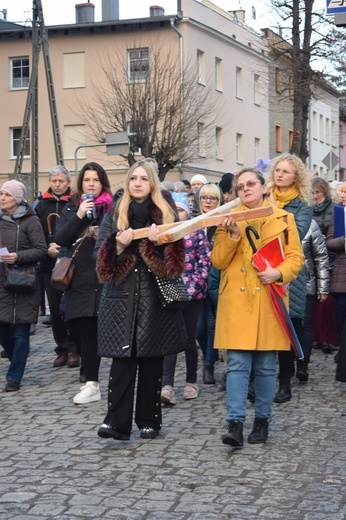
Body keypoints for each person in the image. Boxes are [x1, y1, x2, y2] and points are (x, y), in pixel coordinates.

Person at [95, 161, 189, 441]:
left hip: (154, 296)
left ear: (152, 184)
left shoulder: (165, 212)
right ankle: (115, 423)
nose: (137, 183)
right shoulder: (114, 212)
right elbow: (98, 260)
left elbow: (175, 264)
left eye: (143, 179)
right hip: (121, 295)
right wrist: (120, 246)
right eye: (133, 178)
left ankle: (149, 420)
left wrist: (155, 244)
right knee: (122, 361)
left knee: (151, 360)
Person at [212, 168, 304, 447]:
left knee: (265, 366)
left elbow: (295, 258)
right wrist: (232, 236)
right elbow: (218, 260)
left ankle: (262, 419)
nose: (245, 189)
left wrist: (279, 273)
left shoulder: (284, 218)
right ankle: (235, 423)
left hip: (269, 299)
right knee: (237, 364)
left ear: (264, 188)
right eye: (240, 187)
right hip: (238, 302)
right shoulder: (226, 220)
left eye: (251, 184)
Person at [54, 162, 113, 405]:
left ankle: (112, 377)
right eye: (87, 180)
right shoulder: (72, 206)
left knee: (108, 331)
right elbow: (61, 238)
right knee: (84, 331)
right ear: (81, 184)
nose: (91, 184)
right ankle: (91, 382)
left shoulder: (113, 207)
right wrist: (79, 216)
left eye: (95, 180)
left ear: (102, 183)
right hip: (80, 279)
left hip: (106, 276)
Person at [267, 154, 313, 403]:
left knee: (287, 328)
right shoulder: (263, 195)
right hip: (261, 268)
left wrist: (273, 209)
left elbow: (297, 231)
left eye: (286, 171)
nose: (280, 174)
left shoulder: (303, 202)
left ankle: (285, 382)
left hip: (288, 272)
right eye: (277, 170)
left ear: (296, 176)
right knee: (262, 326)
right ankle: (256, 380)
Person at [161, 192, 210, 404]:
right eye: (175, 209)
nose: (178, 213)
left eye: (181, 209)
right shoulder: (165, 231)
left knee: (189, 338)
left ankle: (191, 381)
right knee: (169, 338)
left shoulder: (196, 231)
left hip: (193, 293)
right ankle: (167, 384)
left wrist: (192, 288)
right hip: (170, 290)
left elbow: (204, 261)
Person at [0, 180, 47, 391]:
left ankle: (14, 377)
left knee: (21, 331)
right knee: (2, 330)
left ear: (17, 198)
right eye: (1, 194)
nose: (2, 198)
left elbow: (41, 250)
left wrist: (18, 256)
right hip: (2, 282)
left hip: (24, 282)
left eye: (7, 195)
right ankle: (17, 358)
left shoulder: (31, 221)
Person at [34, 165, 79, 368]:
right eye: (54, 181)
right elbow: (34, 233)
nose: (57, 184)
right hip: (48, 262)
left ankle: (74, 348)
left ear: (68, 182)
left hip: (71, 261)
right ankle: (61, 348)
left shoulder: (76, 203)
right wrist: (46, 249)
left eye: (61, 181)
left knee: (70, 307)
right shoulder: (41, 205)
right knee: (54, 308)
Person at [196, 183, 222, 384]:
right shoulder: (193, 223)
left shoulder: (223, 223)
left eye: (212, 198)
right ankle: (207, 353)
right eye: (204, 197)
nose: (208, 201)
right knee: (199, 327)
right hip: (196, 283)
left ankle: (209, 365)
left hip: (217, 282)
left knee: (213, 325)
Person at [310, 177, 339, 353]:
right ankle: (317, 337)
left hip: (331, 259)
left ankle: (328, 337)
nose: (315, 196)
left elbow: (335, 233)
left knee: (327, 303)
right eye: (312, 193)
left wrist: (323, 235)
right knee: (315, 303)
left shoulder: (334, 209)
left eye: (318, 192)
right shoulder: (309, 210)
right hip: (313, 258)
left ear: (325, 192)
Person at [299, 220, 329, 381]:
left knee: (304, 324)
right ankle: (287, 366)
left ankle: (303, 364)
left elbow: (321, 257)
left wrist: (323, 287)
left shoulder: (310, 224)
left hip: (306, 282)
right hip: (281, 284)